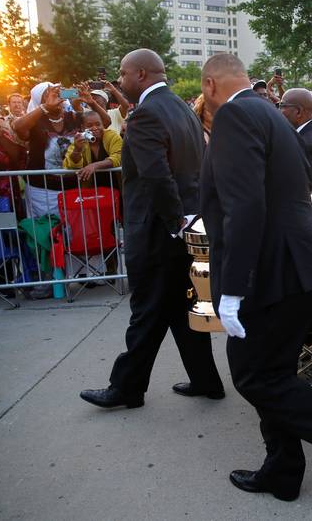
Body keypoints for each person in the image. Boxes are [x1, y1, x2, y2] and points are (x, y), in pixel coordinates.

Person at [197, 52, 312, 503]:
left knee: (255, 376)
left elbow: (244, 207)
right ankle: (282, 469)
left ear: (208, 84)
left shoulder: (234, 116)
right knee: (272, 373)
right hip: (289, 264)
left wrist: (233, 289)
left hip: (270, 271)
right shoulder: (268, 111)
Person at [79, 49, 223, 410]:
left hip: (159, 230)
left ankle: (125, 388)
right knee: (178, 307)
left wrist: (174, 223)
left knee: (146, 310)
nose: (119, 80)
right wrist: (186, 221)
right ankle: (206, 381)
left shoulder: (146, 114)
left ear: (141, 74)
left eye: (123, 73)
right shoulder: (180, 108)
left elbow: (157, 176)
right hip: (180, 227)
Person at [12, 84, 85, 217]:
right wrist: (45, 107)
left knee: (72, 231)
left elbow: (104, 122)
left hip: (72, 188)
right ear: (40, 100)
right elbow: (18, 128)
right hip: (41, 191)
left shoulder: (73, 117)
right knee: (46, 231)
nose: (55, 96)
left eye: (57, 93)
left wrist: (87, 102)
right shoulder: (34, 120)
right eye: (49, 94)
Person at [63, 111, 123, 187]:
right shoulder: (78, 140)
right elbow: (71, 166)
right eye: (89, 125)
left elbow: (118, 156)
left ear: (103, 125)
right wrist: (77, 149)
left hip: (116, 187)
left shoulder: (112, 136)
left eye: (98, 124)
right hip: (90, 190)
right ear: (82, 127)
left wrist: (95, 166)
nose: (95, 128)